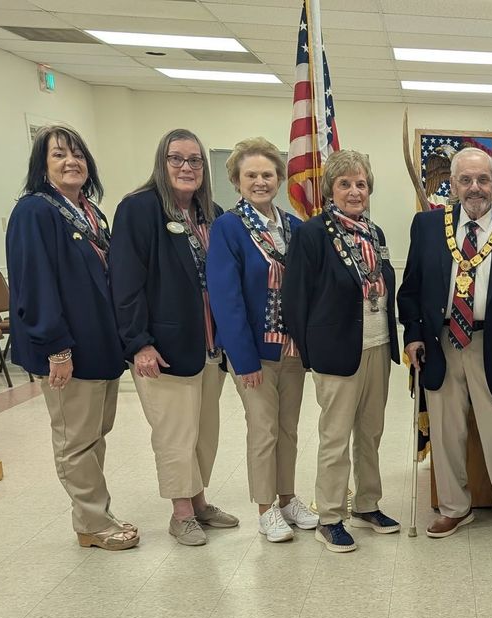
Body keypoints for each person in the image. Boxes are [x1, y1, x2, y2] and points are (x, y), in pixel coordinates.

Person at [397, 147, 492, 539]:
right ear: (454, 184)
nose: (474, 188)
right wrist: (412, 336)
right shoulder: (427, 227)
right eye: (465, 180)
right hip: (440, 342)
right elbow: (409, 290)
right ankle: (454, 508)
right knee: (446, 431)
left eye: (483, 180)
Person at [5, 125, 138, 551]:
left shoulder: (90, 212)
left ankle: (96, 510)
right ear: (41, 166)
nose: (71, 161)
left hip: (100, 345)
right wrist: (56, 349)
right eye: (59, 154)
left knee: (96, 432)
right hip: (67, 350)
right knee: (75, 439)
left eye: (78, 153)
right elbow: (35, 284)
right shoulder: (35, 212)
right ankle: (92, 523)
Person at [111, 128, 239, 546]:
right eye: (176, 159)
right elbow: (125, 282)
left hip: (209, 346)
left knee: (204, 431)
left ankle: (199, 502)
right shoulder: (139, 209)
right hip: (163, 349)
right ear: (161, 164)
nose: (187, 167)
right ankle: (180, 512)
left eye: (195, 160)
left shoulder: (212, 213)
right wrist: (139, 342)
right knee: (174, 434)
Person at [282, 149, 401, 553]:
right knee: (335, 437)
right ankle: (330, 515)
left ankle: (368, 503)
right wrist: (310, 354)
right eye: (345, 184)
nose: (354, 191)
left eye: (361, 184)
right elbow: (295, 297)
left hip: (378, 345)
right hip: (336, 351)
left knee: (371, 432)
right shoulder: (312, 234)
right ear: (331, 189)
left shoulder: (375, 233)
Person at [207, 137, 319, 542]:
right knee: (263, 429)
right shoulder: (228, 228)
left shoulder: (294, 227)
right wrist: (243, 357)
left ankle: (288, 498)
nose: (259, 181)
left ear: (279, 178)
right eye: (250, 175)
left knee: (288, 428)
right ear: (236, 180)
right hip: (253, 352)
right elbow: (226, 298)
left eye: (267, 174)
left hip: (291, 350)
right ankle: (265, 508)